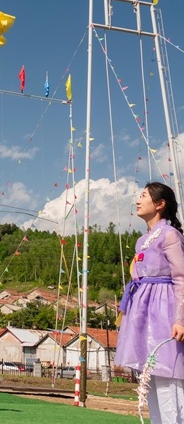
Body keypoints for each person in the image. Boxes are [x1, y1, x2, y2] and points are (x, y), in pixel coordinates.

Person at [114, 182, 184, 424]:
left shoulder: (170, 235)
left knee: (168, 377)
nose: (138, 200)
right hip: (143, 312)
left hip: (163, 311)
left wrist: (180, 319)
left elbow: (181, 278)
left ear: (160, 203)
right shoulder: (142, 239)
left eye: (144, 195)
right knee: (149, 378)